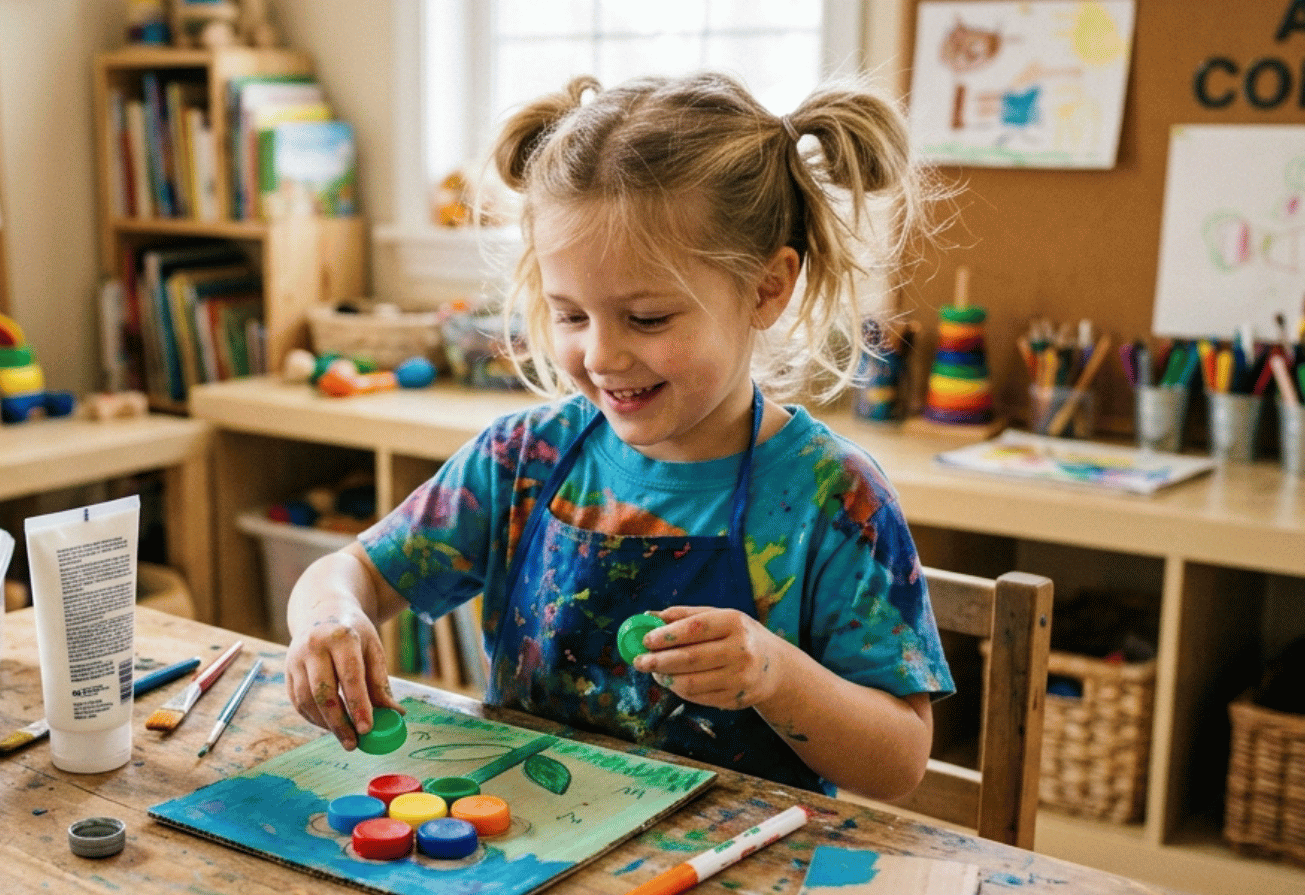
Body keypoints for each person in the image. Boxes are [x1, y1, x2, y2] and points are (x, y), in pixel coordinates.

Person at [283, 71, 952, 800]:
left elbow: (898, 763)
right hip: (525, 857)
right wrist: (331, 618)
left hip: (727, 878)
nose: (601, 356)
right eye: (571, 316)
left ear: (767, 287)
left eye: (648, 319)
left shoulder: (834, 497)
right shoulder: (523, 461)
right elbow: (354, 572)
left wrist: (774, 674)